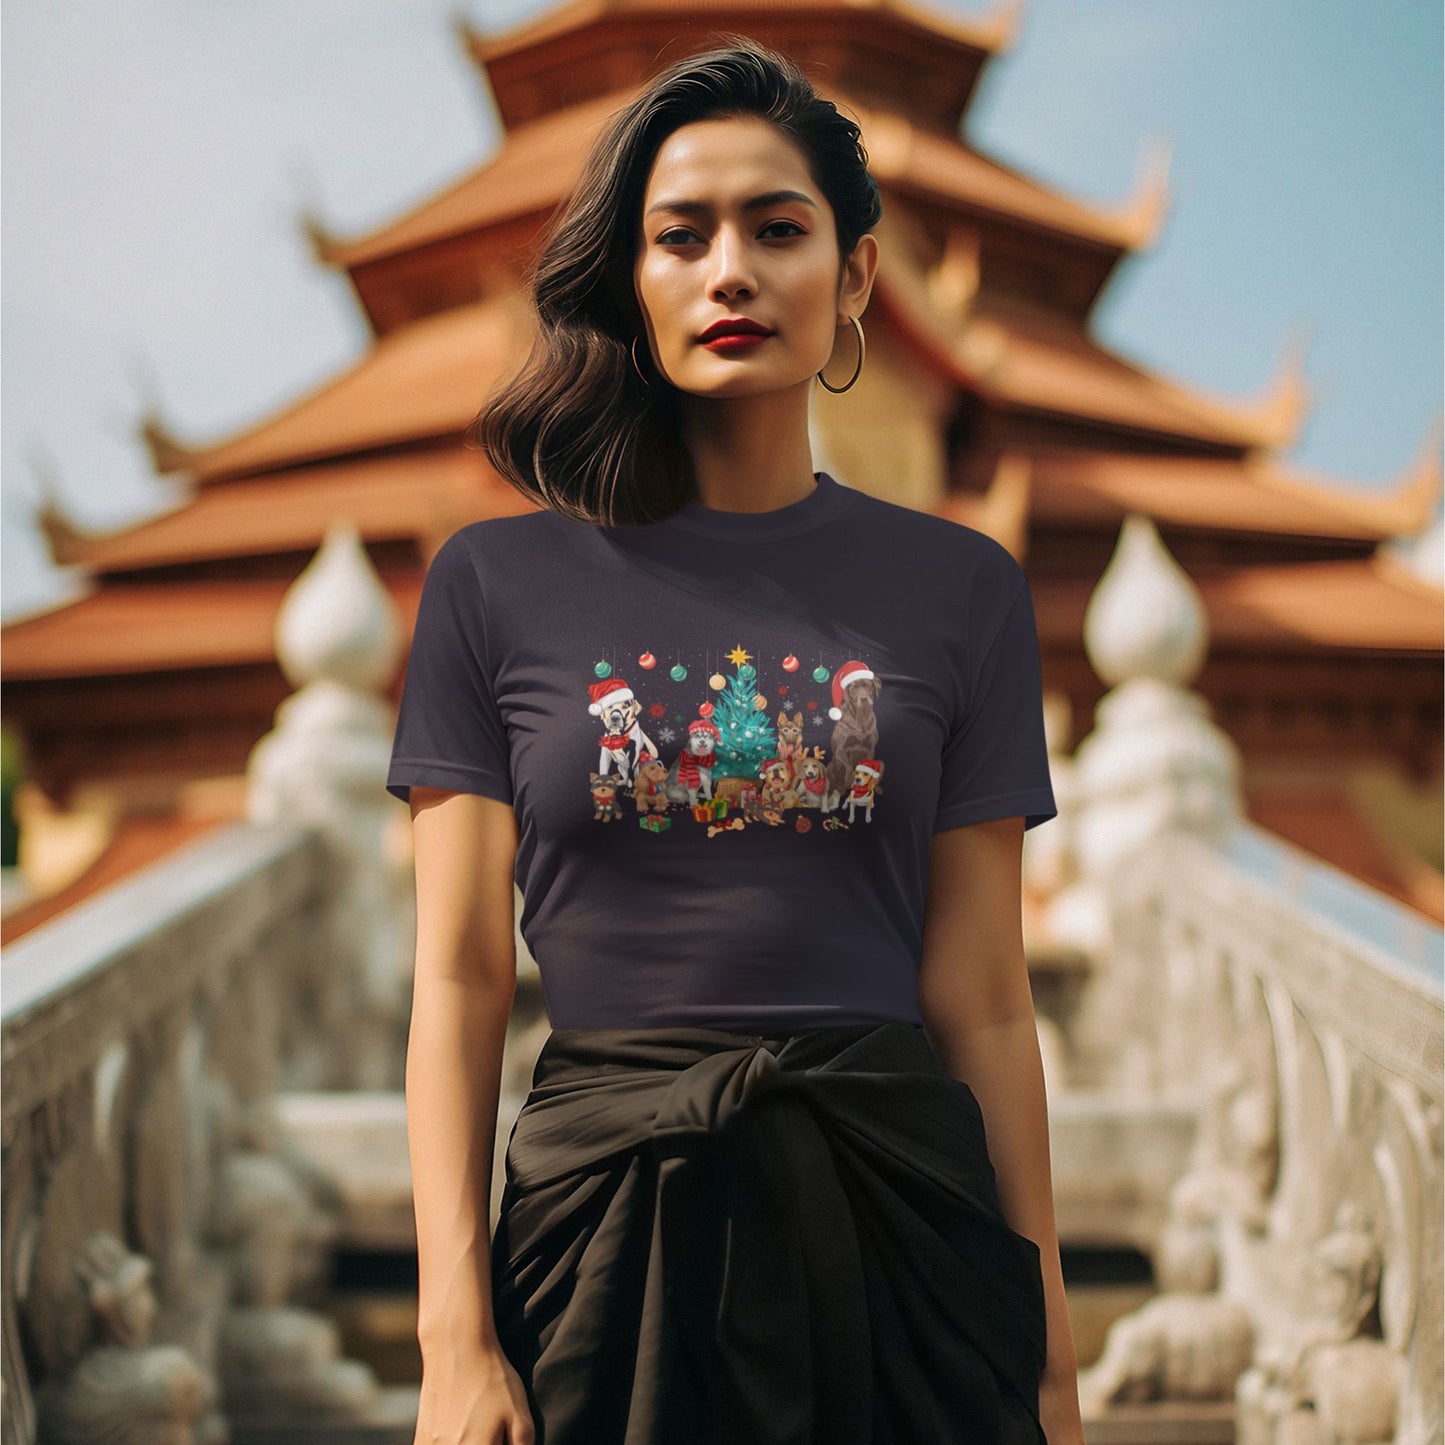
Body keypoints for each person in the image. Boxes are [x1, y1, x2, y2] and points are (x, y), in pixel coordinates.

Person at [387, 34, 1085, 1445]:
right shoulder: (491, 586)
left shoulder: (960, 590)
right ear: (628, 277)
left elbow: (986, 996)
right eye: (680, 234)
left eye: (779, 230)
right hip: (598, 1233)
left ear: (855, 278)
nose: (731, 271)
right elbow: (460, 979)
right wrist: (453, 1339)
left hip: (902, 1220)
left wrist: (1051, 1361)